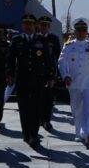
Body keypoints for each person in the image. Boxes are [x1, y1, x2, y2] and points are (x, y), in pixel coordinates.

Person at [6, 13, 54, 148]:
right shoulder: (16, 40)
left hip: (38, 80)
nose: (28, 26)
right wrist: (9, 74)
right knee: (24, 108)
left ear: (35, 25)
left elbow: (47, 60)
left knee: (36, 108)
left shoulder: (41, 40)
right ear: (22, 25)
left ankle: (34, 134)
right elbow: (10, 59)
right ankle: (27, 134)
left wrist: (50, 76)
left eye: (31, 24)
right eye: (26, 24)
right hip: (22, 80)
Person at [58, 18, 89, 146]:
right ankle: (78, 132)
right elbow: (61, 62)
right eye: (78, 30)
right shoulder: (68, 45)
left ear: (87, 31)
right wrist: (65, 75)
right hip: (73, 83)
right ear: (75, 31)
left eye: (83, 30)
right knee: (76, 109)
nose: (81, 32)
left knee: (88, 109)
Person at [37, 15, 61, 131]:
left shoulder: (53, 39)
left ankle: (46, 121)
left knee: (49, 99)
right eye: (42, 25)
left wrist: (56, 74)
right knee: (39, 98)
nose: (44, 27)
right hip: (37, 73)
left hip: (50, 73)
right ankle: (40, 119)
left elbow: (58, 57)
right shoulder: (35, 38)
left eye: (46, 25)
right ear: (39, 26)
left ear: (49, 26)